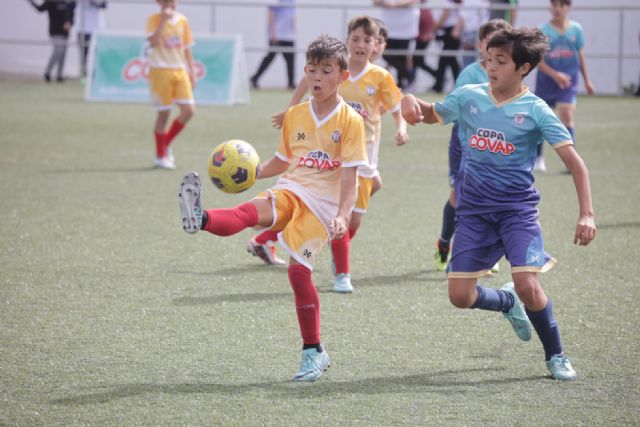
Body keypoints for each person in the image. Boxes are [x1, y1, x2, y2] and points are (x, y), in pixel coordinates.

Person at [401, 27, 596, 381]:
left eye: (501, 61)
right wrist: (410, 103)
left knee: (527, 284)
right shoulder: (469, 96)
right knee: (459, 296)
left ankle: (556, 355)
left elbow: (576, 163)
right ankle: (506, 303)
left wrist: (587, 214)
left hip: (516, 212)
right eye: (488, 59)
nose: (491, 67)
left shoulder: (536, 110)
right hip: (473, 213)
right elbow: (430, 113)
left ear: (523, 68)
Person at [179, 34, 367, 381]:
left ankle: (314, 351)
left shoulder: (350, 121)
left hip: (322, 210)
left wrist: (342, 215)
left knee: (298, 274)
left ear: (342, 76)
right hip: (290, 189)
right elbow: (282, 161)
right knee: (248, 213)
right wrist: (251, 172)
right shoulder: (295, 115)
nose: (317, 77)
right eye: (311, 70)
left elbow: (350, 178)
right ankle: (199, 217)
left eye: (326, 71)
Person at [259, 17, 409, 294]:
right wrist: (289, 110)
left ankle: (273, 238)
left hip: (362, 159)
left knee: (359, 206)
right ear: (348, 40)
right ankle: (342, 273)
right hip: (331, 161)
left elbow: (396, 107)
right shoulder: (332, 69)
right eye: (356, 38)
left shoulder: (380, 77)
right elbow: (305, 84)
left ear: (377, 45)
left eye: (367, 40)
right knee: (341, 214)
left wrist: (401, 128)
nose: (361, 44)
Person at [434, 18, 511, 272]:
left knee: (491, 197)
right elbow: (455, 111)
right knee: (460, 197)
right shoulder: (470, 74)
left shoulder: (511, 75)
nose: (494, 49)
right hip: (466, 145)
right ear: (480, 45)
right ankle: (446, 243)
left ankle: (481, 253)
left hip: (495, 147)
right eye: (489, 42)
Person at [533, 0, 594, 172]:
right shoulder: (543, 30)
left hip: (569, 80)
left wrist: (587, 81)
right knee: (542, 120)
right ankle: (538, 159)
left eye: (561, 5)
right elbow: (539, 61)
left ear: (568, 7)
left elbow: (580, 56)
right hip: (547, 82)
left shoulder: (576, 29)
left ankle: (571, 164)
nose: (557, 8)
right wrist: (555, 75)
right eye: (554, 4)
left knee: (567, 115)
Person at [146, 0, 196, 170]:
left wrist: (192, 71)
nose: (169, 3)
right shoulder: (153, 19)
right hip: (160, 70)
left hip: (180, 70)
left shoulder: (183, 20)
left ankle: (164, 144)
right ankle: (161, 156)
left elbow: (187, 48)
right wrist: (162, 21)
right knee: (164, 114)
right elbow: (152, 42)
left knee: (189, 111)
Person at [374, 0, 420, 90]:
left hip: (406, 29)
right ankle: (409, 75)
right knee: (385, 54)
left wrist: (396, 4)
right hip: (389, 28)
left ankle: (402, 84)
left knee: (402, 58)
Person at [250, 0, 296, 90]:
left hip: (289, 35)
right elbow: (270, 14)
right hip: (277, 35)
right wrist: (273, 33)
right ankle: (255, 78)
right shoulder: (275, 1)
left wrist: (294, 31)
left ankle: (291, 83)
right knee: (270, 57)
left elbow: (292, 15)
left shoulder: (292, 1)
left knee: (290, 59)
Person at [28, 0, 76, 82]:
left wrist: (69, 23)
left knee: (63, 54)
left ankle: (59, 76)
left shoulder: (67, 3)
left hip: (65, 33)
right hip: (55, 31)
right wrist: (31, 2)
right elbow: (40, 9)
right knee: (58, 51)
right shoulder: (51, 2)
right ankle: (47, 73)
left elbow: (72, 16)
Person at [430, 0, 462, 93]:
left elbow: (445, 14)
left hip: (451, 32)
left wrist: (435, 28)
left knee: (449, 60)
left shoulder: (449, 3)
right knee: (447, 60)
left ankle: (440, 85)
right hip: (450, 32)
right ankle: (439, 85)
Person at [77, 0, 107, 79]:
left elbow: (104, 6)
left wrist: (94, 3)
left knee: (96, 54)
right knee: (83, 54)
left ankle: (95, 75)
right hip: (82, 29)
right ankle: (83, 76)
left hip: (95, 30)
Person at [411, 0, 437, 84]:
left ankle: (411, 80)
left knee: (417, 61)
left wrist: (427, 34)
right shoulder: (423, 9)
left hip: (423, 39)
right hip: (421, 38)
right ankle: (437, 75)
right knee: (418, 61)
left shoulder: (423, 9)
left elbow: (430, 24)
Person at [458, 0, 489, 68]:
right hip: (483, 33)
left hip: (471, 33)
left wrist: (456, 31)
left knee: (467, 63)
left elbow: (462, 17)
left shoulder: (468, 1)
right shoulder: (486, 3)